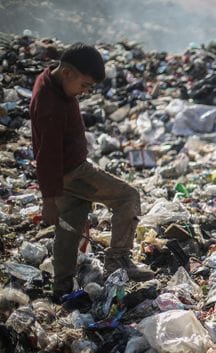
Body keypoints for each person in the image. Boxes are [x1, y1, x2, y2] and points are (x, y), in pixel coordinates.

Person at [29, 43, 154, 301]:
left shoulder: (49, 80)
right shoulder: (51, 107)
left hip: (65, 173)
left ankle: (61, 288)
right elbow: (47, 155)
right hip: (74, 172)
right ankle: (117, 260)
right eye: (84, 85)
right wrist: (48, 200)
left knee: (70, 227)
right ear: (67, 73)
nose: (84, 92)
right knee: (127, 196)